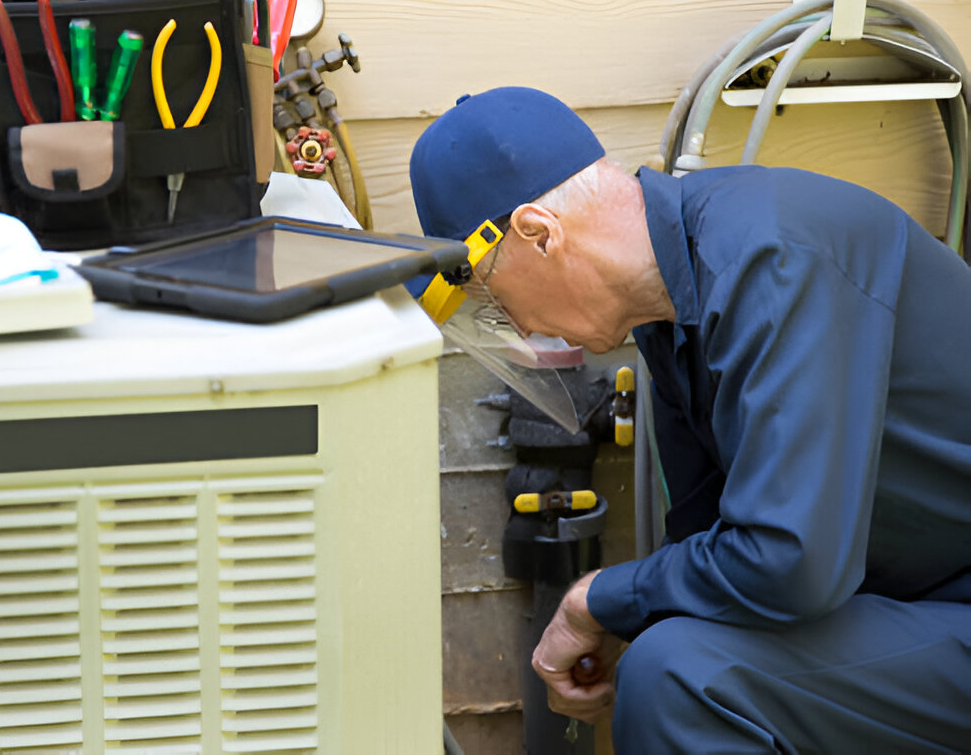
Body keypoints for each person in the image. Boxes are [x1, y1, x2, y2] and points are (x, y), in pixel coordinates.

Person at [409, 86, 971, 753]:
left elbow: (790, 563)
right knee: (669, 652)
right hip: (911, 607)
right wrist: (637, 618)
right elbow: (712, 541)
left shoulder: (773, 258)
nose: (523, 327)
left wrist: (599, 600)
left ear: (539, 233)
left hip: (941, 605)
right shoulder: (670, 314)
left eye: (493, 297)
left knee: (680, 676)